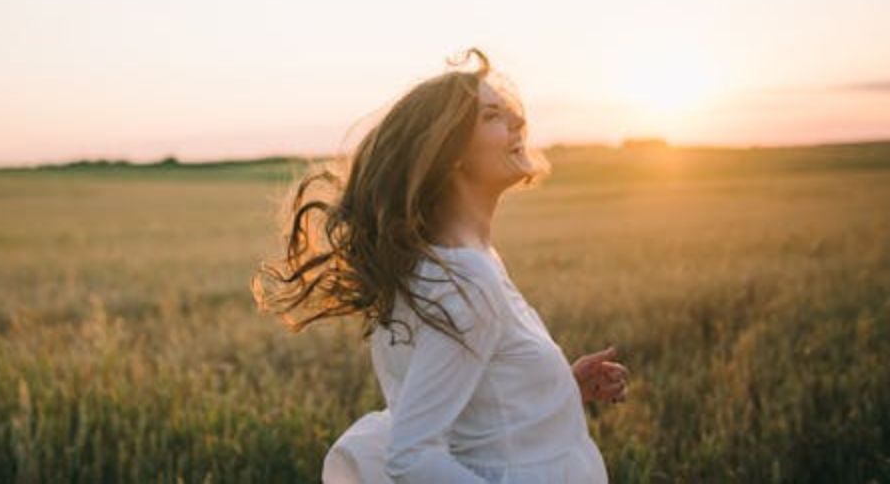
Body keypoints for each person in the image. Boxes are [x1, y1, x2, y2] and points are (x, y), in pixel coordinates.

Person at [251, 47, 628, 483]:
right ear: (449, 154)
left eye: (508, 111)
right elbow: (411, 457)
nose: (518, 122)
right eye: (491, 116)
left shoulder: (459, 262)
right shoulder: (466, 279)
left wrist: (557, 390)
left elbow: (473, 411)